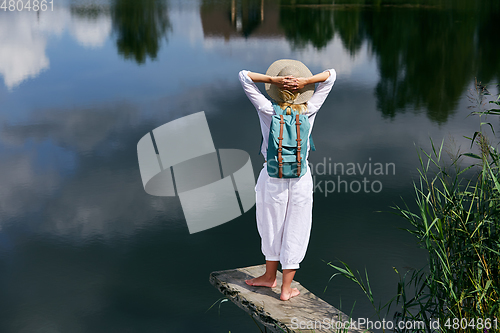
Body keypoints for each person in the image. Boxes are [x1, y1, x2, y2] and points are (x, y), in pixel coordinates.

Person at [238, 59, 336, 301]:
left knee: (271, 225)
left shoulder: (267, 110)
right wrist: (308, 81)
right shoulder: (310, 109)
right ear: (302, 91)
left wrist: (272, 80)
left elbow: (244, 76)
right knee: (297, 227)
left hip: (272, 176)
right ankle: (285, 288)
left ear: (276, 89)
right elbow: (331, 76)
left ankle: (269, 276)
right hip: (301, 178)